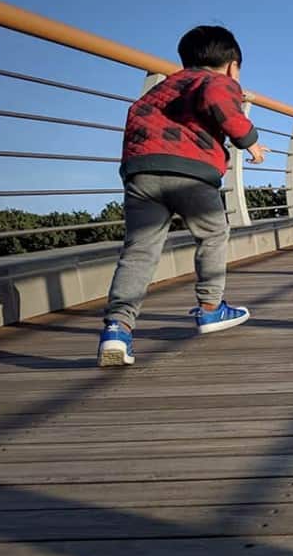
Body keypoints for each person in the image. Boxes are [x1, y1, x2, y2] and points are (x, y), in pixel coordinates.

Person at [97, 25, 268, 367]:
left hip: (141, 173)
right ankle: (209, 308)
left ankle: (117, 329)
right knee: (213, 234)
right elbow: (218, 100)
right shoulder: (218, 82)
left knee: (139, 251)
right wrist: (250, 142)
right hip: (191, 176)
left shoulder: (158, 91)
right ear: (233, 64)